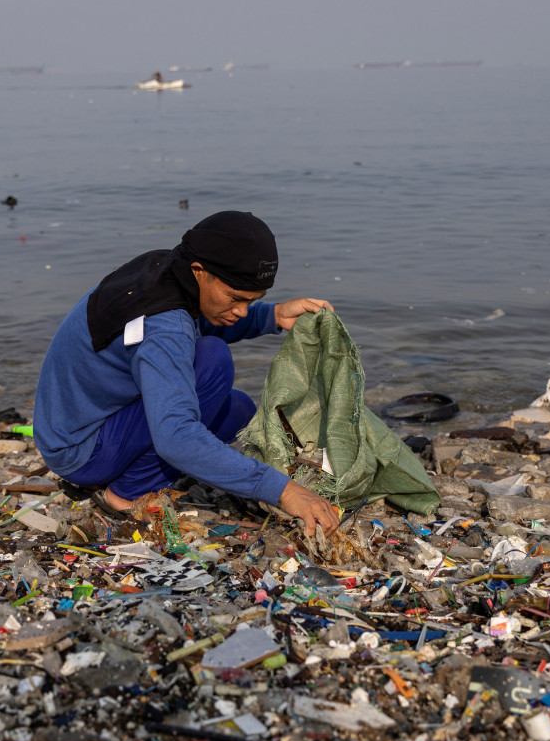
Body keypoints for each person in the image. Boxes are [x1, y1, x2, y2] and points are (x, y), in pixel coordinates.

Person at [32, 211, 340, 536]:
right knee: (212, 361)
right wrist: (285, 491)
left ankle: (130, 473)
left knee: (237, 409)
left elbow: (205, 318)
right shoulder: (166, 327)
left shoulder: (165, 269)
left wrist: (274, 315)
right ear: (200, 272)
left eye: (253, 302)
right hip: (80, 451)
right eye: (236, 299)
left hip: (74, 427)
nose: (241, 311)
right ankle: (126, 495)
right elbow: (175, 437)